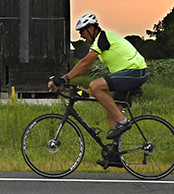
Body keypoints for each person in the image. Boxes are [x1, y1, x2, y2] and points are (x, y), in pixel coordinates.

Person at [48, 13, 148, 166]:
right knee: (111, 111)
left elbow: (86, 63)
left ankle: (123, 121)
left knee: (95, 86)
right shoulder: (100, 41)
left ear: (92, 28)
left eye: (82, 31)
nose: (81, 36)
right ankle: (115, 154)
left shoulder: (103, 37)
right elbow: (85, 64)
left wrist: (65, 78)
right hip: (127, 73)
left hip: (135, 71)